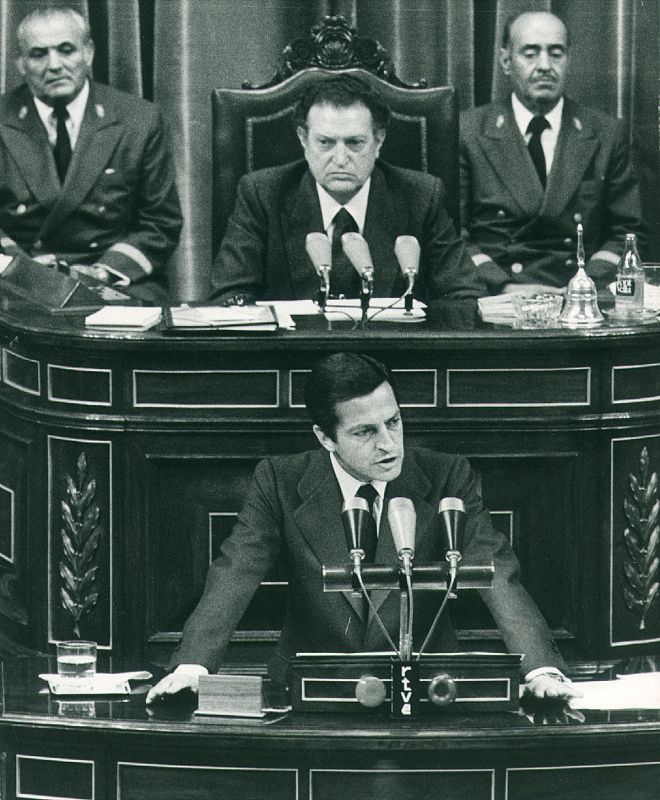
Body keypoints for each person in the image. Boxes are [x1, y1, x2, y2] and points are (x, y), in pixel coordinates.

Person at [147, 352, 579, 704]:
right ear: (325, 438)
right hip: (312, 691)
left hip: (431, 688)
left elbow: (495, 571)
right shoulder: (279, 480)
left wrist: (540, 667)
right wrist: (193, 667)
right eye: (365, 432)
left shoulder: (448, 475)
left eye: (393, 422)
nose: (389, 444)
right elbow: (235, 571)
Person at [209, 74, 482, 310]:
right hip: (291, 361)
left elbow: (464, 296)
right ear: (304, 140)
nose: (340, 159)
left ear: (378, 141)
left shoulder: (421, 195)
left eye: (354, 143)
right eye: (326, 143)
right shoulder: (262, 194)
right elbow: (229, 295)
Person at [0, 5, 182, 303]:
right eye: (38, 54)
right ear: (20, 64)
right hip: (16, 283)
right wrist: (23, 270)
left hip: (113, 280)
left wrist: (102, 272)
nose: (54, 64)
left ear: (88, 52)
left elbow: (160, 221)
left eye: (66, 49)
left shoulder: (139, 119)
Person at [459, 10, 645, 296]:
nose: (545, 65)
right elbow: (452, 235)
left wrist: (584, 285)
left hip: (581, 296)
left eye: (556, 53)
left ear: (568, 60)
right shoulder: (468, 131)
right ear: (506, 62)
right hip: (497, 295)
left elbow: (627, 232)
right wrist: (503, 285)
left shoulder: (606, 134)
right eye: (530, 54)